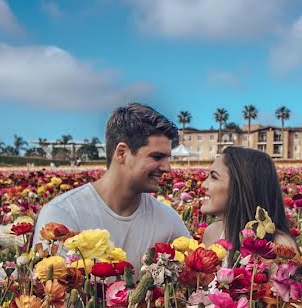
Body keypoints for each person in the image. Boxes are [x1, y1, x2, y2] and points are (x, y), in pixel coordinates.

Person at [33, 103, 190, 268]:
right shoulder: (64, 214)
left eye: (168, 158)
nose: (167, 168)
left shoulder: (168, 219)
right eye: (157, 157)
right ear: (122, 153)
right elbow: (51, 288)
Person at [200, 146, 296, 261]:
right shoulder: (212, 233)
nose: (203, 185)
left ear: (241, 186)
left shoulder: (279, 247)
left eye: (214, 177)